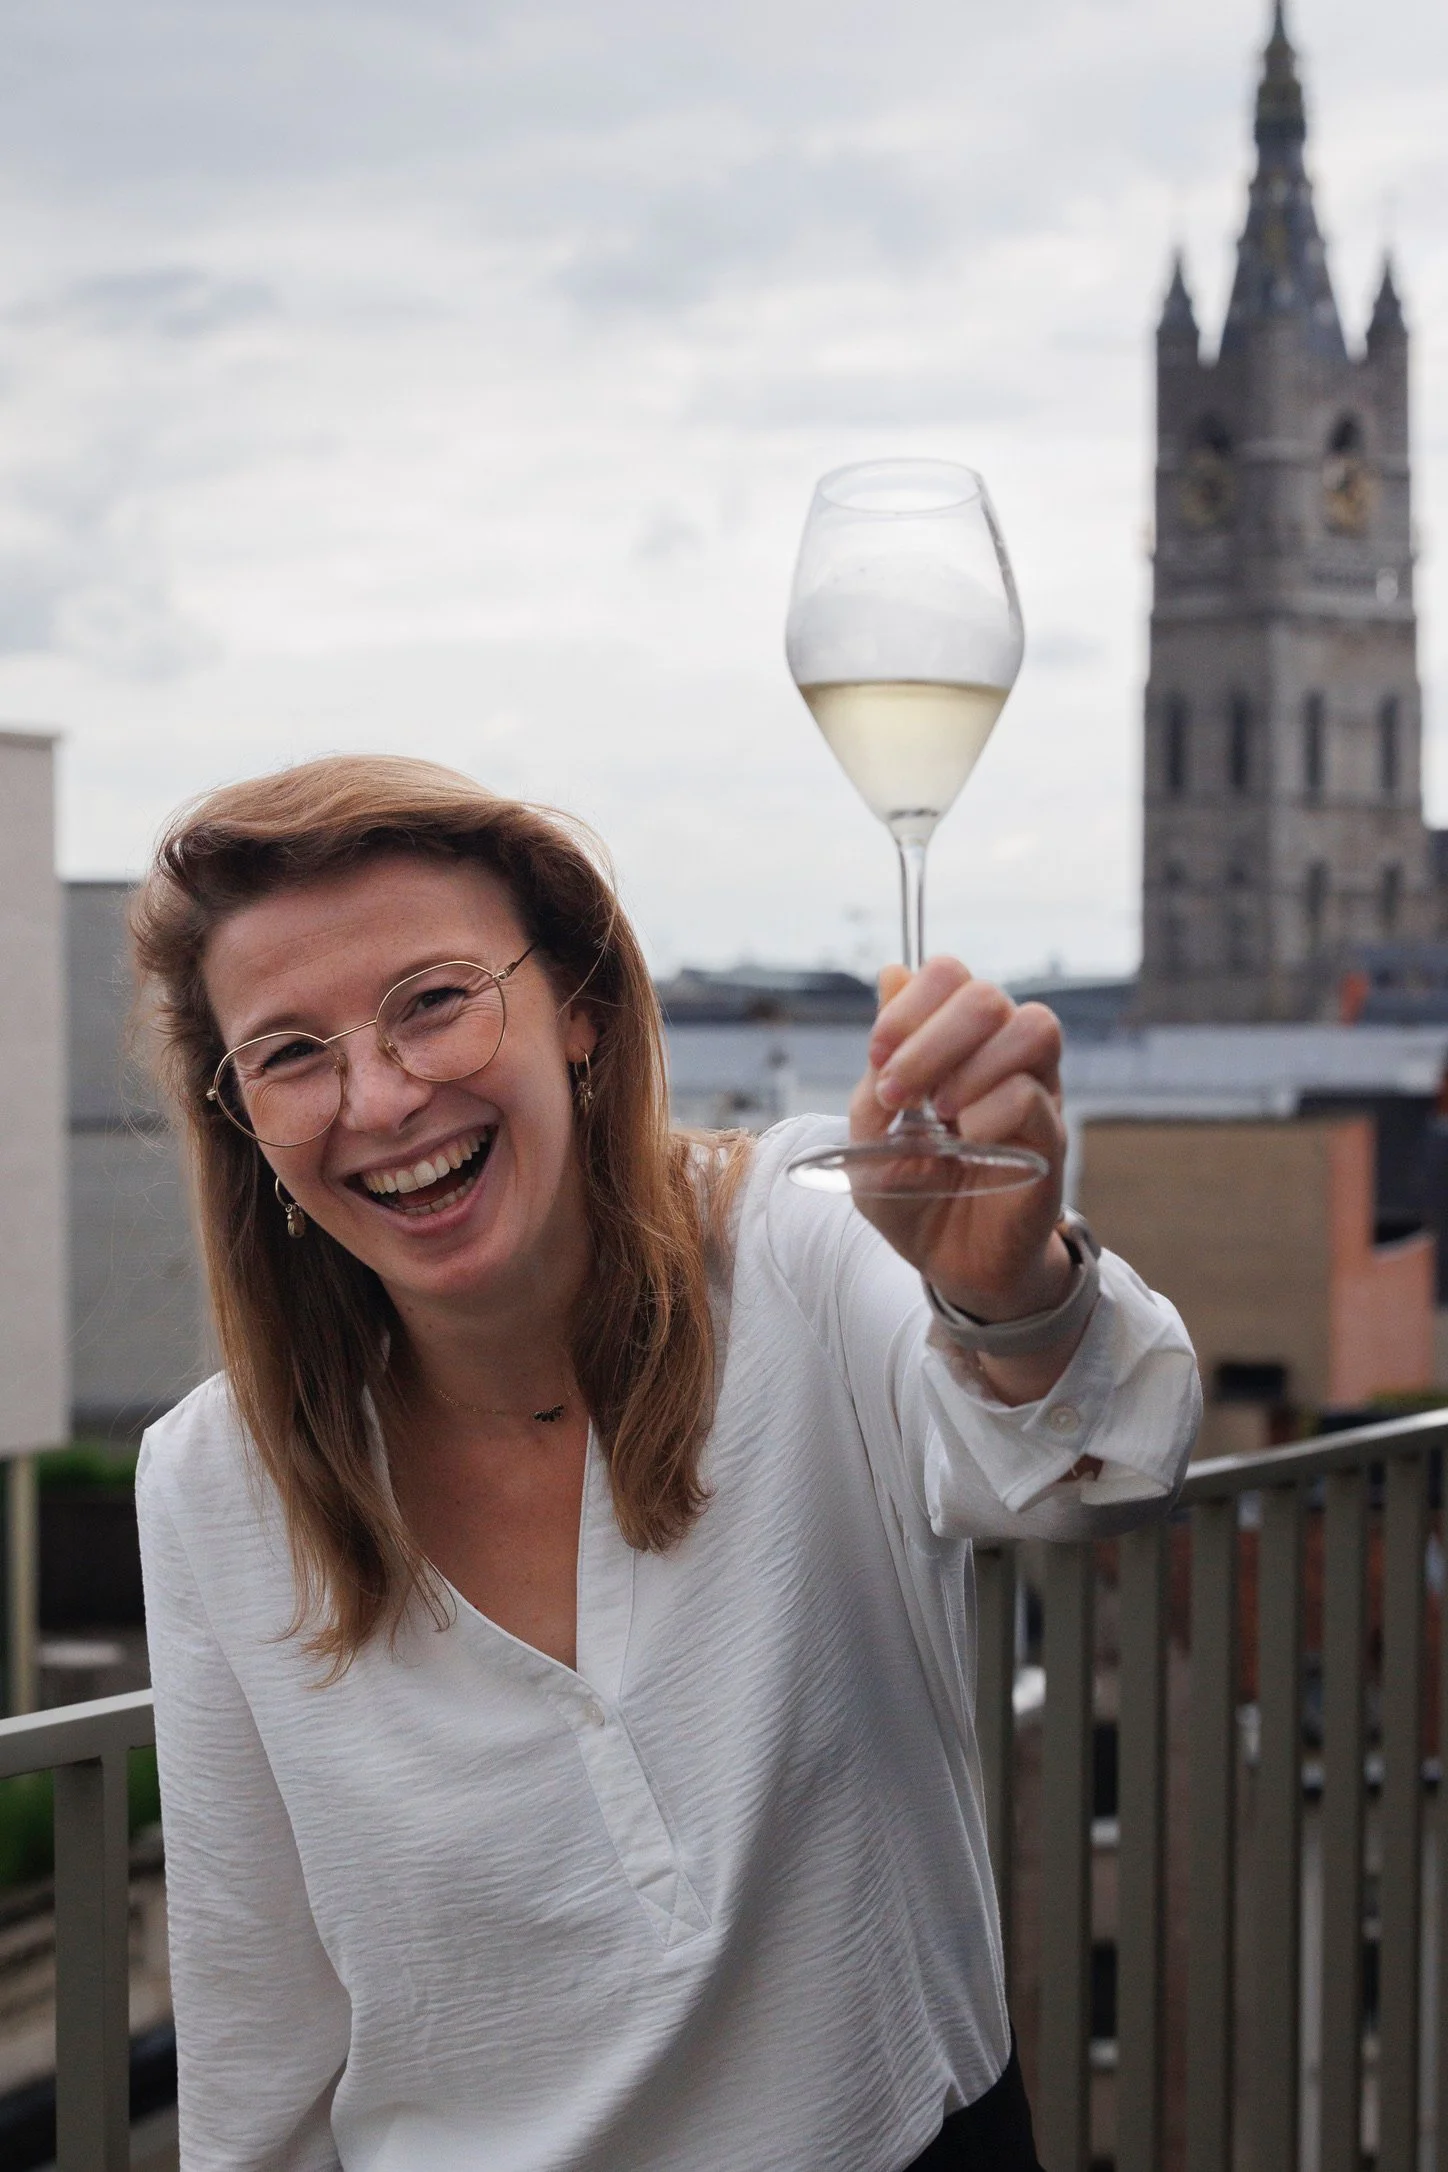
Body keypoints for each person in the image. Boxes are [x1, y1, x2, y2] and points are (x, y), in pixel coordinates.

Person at [132, 753, 1199, 2172]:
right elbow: (257, 2038)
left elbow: (1093, 1466)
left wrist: (1011, 1292)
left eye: (433, 1004)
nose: (379, 1099)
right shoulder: (213, 1481)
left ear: (576, 1009)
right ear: (240, 1122)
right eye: (290, 1053)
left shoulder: (804, 1240)